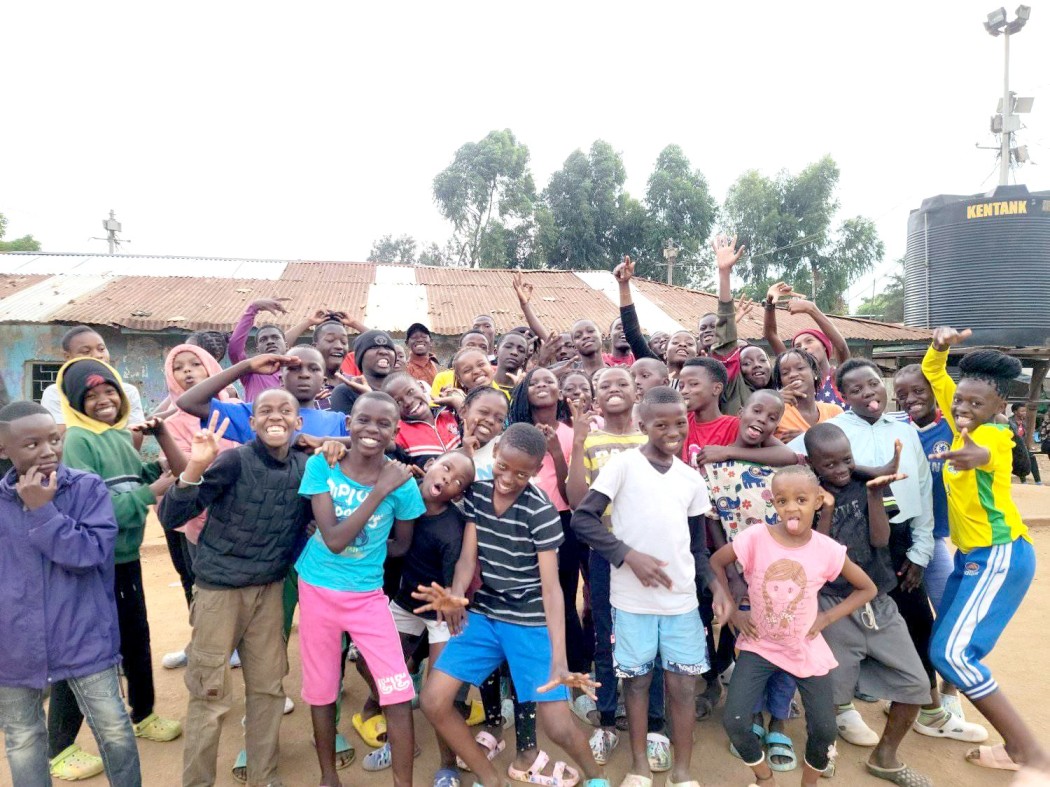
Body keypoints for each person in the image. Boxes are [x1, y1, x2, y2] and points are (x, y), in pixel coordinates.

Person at [418, 423, 609, 787]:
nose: (508, 478)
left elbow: (552, 590)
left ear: (537, 472)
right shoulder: (477, 493)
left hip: (528, 620)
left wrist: (559, 655)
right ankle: (492, 779)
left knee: (557, 726)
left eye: (521, 473)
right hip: (486, 615)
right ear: (494, 456)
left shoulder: (540, 511)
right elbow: (467, 560)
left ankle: (597, 779)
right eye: (503, 467)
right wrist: (457, 594)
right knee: (434, 700)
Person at [571, 386, 721, 787]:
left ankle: (682, 772)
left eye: (679, 423)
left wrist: (715, 587)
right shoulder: (622, 466)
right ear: (642, 426)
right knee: (636, 683)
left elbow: (697, 547)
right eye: (661, 424)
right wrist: (626, 554)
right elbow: (582, 520)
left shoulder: (691, 479)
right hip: (631, 601)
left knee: (682, 687)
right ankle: (639, 765)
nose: (673, 431)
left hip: (681, 603)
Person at [158, 402, 312, 787]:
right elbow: (171, 516)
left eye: (285, 410)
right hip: (219, 593)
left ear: (299, 422)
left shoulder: (305, 467)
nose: (275, 416)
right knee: (209, 695)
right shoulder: (233, 461)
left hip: (269, 591)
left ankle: (264, 777)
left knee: (268, 690)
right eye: (265, 411)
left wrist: (329, 446)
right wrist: (195, 466)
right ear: (253, 422)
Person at [805, 423, 968, 786]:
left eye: (846, 460)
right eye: (829, 464)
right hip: (833, 605)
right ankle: (822, 752)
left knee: (915, 683)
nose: (841, 469)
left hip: (879, 602)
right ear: (812, 464)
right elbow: (820, 553)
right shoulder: (808, 495)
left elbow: (881, 539)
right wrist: (827, 508)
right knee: (831, 692)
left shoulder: (870, 485)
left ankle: (885, 756)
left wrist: (875, 494)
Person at [48, 358, 185, 781]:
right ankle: (60, 747)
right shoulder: (79, 442)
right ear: (74, 403)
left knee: (135, 636)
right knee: (86, 650)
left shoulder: (114, 436)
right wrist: (152, 490)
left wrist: (153, 464)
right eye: (91, 396)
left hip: (125, 558)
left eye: (110, 392)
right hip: (94, 562)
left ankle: (143, 713)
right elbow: (95, 508)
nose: (104, 400)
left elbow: (124, 477)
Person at [923, 329, 1049, 777]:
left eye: (976, 404)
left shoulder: (994, 436)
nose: (963, 408)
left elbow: (989, 455)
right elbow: (932, 372)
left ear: (1000, 407)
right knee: (946, 646)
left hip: (1000, 555)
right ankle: (1013, 746)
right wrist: (940, 345)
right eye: (960, 400)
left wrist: (972, 453)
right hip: (973, 557)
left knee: (954, 655)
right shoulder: (959, 412)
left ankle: (1032, 755)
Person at [0, 402, 142, 787]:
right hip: (14, 648)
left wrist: (42, 513)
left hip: (83, 638)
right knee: (23, 738)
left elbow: (90, 554)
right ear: (4, 449)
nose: (47, 450)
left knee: (113, 730)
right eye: (31, 444)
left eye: (53, 439)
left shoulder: (86, 488)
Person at [711, 465, 878, 787]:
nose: (791, 508)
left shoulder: (827, 550)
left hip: (804, 649)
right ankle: (764, 779)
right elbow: (717, 561)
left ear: (818, 501)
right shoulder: (756, 538)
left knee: (825, 730)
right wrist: (733, 611)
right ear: (773, 503)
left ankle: (809, 783)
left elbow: (867, 588)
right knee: (734, 720)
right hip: (760, 645)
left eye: (801, 499)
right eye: (782, 500)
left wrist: (827, 618)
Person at [297, 392, 425, 787]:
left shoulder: (403, 485)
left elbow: (401, 545)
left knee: (398, 691)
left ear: (395, 431)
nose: (372, 430)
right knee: (321, 691)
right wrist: (378, 492)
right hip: (317, 589)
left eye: (384, 424)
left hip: (367, 596)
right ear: (348, 423)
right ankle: (328, 778)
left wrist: (366, 545)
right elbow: (333, 541)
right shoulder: (323, 464)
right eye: (364, 420)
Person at [348, 451, 477, 782]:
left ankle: (448, 766)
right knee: (366, 661)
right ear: (430, 465)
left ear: (459, 494)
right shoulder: (401, 491)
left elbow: (454, 583)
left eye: (458, 481)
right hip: (404, 603)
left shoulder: (452, 528)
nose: (448, 478)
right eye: (446, 467)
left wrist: (451, 605)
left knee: (439, 696)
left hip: (441, 612)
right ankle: (400, 733)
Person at [702, 390, 800, 771]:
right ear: (739, 411)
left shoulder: (781, 463)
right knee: (750, 643)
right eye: (755, 410)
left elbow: (790, 456)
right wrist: (729, 578)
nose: (762, 419)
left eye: (773, 417)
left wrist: (732, 452)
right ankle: (754, 715)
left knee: (785, 640)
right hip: (739, 569)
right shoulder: (711, 462)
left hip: (784, 571)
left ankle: (779, 718)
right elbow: (714, 531)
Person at [564, 367, 655, 767]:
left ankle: (654, 723)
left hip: (650, 551)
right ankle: (606, 720)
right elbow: (577, 501)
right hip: (604, 551)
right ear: (595, 396)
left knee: (650, 635)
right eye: (605, 386)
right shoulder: (591, 440)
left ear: (637, 391)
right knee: (605, 633)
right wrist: (579, 441)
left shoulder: (650, 436)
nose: (614, 389)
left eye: (623, 384)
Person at [158, 343, 237, 671]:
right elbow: (178, 468)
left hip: (233, 517)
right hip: (190, 520)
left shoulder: (235, 410)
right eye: (179, 367)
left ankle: (233, 647)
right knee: (197, 584)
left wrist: (201, 461)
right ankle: (200, 644)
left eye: (196, 365)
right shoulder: (172, 422)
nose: (188, 372)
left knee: (233, 590)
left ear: (211, 370)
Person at [39, 325, 147, 445]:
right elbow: (60, 439)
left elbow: (135, 436)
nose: (97, 355)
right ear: (67, 357)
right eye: (86, 351)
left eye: (101, 349)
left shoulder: (128, 391)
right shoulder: (56, 393)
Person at [763, 284, 850, 407]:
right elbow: (771, 334)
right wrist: (770, 302)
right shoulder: (793, 379)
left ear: (825, 346)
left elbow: (841, 347)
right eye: (797, 347)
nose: (803, 347)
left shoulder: (839, 377)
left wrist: (811, 309)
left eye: (809, 341)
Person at [383, 372, 462, 470]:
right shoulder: (398, 436)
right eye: (398, 402)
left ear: (421, 387)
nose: (408, 402)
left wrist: (459, 405)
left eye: (410, 392)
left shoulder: (450, 412)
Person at [771, 349, 843, 442]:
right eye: (785, 373)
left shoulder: (835, 412)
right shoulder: (775, 413)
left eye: (800, 368)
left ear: (814, 372)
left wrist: (806, 438)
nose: (792, 375)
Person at [226, 298, 289, 402]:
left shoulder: (296, 374)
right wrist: (253, 308)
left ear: (287, 345)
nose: (270, 342)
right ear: (258, 349)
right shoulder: (251, 372)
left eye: (275, 337)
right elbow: (234, 348)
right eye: (263, 340)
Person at [329, 330, 398, 415]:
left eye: (388, 347)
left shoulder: (402, 390)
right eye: (374, 347)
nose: (383, 352)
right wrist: (368, 396)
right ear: (360, 357)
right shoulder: (345, 391)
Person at [460, 385, 509, 480]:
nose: (490, 421)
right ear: (463, 411)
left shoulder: (507, 449)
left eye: (499, 419)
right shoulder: (449, 458)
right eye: (483, 412)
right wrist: (466, 455)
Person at [432, 332, 491, 400]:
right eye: (470, 346)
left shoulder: (493, 381)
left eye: (483, 347)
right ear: (460, 350)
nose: (476, 350)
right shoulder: (442, 377)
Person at [1009, 403, 1042, 484]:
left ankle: (1038, 481)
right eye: (1022, 411)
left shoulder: (1026, 422)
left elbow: (1028, 435)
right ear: (1015, 412)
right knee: (1022, 456)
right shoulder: (1009, 422)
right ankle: (1023, 481)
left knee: (1032, 457)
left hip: (1023, 446)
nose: (1024, 412)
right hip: (1013, 447)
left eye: (1025, 411)